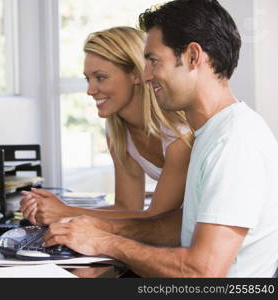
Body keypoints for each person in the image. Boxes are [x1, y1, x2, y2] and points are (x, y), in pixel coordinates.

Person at [42, 0, 278, 277]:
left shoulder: (233, 142)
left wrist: (104, 241)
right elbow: (180, 225)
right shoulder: (211, 133)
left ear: (192, 56)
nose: (145, 75)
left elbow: (202, 272)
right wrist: (98, 228)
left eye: (153, 61)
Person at [20, 26, 192, 225]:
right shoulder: (119, 133)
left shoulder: (177, 133)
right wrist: (55, 211)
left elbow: (156, 217)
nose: (90, 90)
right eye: (88, 79)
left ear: (137, 74)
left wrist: (66, 212)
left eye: (100, 78)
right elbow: (127, 208)